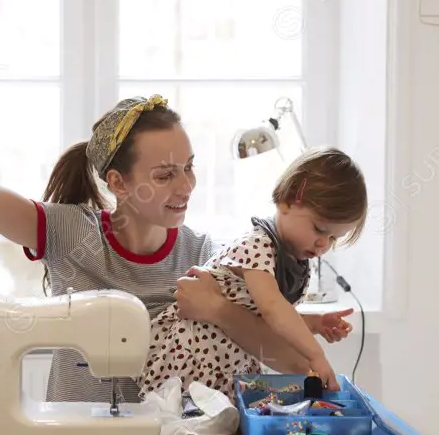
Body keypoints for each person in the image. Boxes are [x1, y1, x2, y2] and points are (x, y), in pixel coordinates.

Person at [0, 35, 343, 403]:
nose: (186, 186)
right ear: (117, 183)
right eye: (164, 174)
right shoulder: (67, 232)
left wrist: (219, 309)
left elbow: (286, 357)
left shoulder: (202, 257)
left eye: (189, 167)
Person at [139, 147, 367, 398]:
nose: (324, 244)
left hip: (225, 361)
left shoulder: (292, 260)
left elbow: (270, 319)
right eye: (319, 229)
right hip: (188, 354)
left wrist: (316, 323)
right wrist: (316, 354)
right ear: (288, 201)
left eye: (334, 238)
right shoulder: (257, 246)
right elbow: (271, 308)